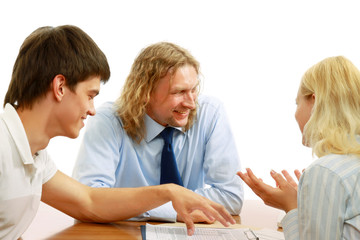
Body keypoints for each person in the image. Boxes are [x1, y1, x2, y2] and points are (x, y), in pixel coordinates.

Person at [0, 25, 236, 240]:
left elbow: (89, 202)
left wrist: (169, 192)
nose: (92, 110)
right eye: (90, 96)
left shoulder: (36, 157)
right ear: (60, 87)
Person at [72, 42, 244, 223]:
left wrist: (139, 207)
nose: (191, 103)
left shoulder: (210, 113)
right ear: (145, 92)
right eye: (179, 92)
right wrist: (173, 209)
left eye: (193, 90)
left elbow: (230, 196)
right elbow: (88, 199)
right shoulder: (108, 121)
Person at [238, 56, 360, 239]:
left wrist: (292, 207)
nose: (296, 113)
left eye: (297, 103)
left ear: (314, 102)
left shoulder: (325, 172)